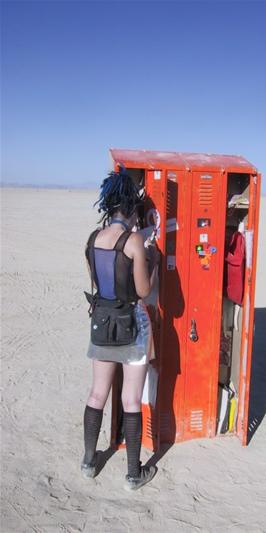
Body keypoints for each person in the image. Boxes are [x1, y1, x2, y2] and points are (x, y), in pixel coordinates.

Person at [81, 167, 160, 491]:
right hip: (131, 325)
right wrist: (153, 262)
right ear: (130, 207)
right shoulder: (135, 243)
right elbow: (142, 291)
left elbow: (98, 283)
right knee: (130, 399)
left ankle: (88, 462)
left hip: (101, 322)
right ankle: (133, 474)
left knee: (97, 393)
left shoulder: (92, 240)